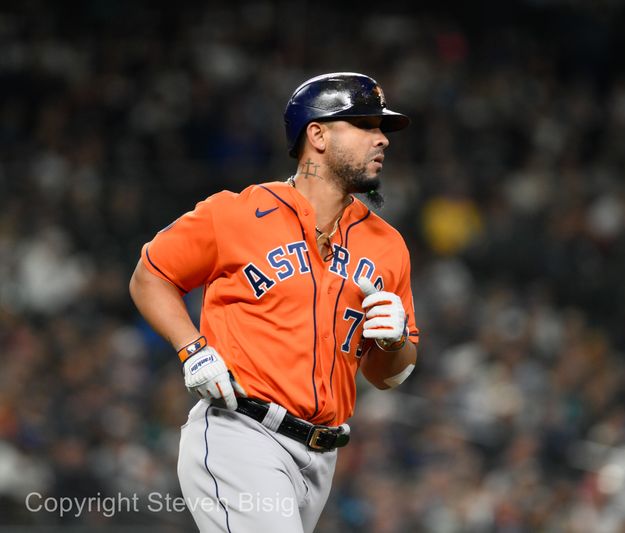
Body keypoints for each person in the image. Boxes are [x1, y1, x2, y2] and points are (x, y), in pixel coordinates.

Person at [129, 72, 419, 532]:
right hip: (240, 433)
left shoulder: (388, 245)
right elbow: (150, 277)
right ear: (317, 134)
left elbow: (391, 376)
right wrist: (193, 349)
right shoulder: (235, 214)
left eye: (380, 128)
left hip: (322, 459)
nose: (381, 138)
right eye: (364, 125)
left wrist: (395, 341)